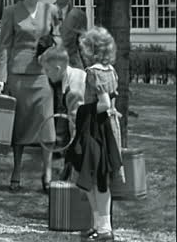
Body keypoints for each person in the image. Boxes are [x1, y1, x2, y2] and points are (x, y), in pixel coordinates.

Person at [0, 0, 58, 193]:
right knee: (19, 126)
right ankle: (17, 171)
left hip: (43, 74)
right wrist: (0, 78)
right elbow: (4, 46)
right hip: (18, 74)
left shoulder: (50, 10)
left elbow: (58, 41)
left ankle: (48, 173)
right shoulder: (11, 12)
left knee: (47, 124)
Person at [66, 26, 125, 242]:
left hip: (96, 130)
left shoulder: (93, 73)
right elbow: (113, 101)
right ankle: (99, 225)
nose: (82, 54)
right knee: (97, 178)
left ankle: (103, 228)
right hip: (109, 128)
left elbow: (104, 103)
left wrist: (82, 110)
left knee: (93, 177)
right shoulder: (111, 71)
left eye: (84, 50)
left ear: (91, 51)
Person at [38, 46, 86, 174]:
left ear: (57, 69)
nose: (45, 73)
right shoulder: (69, 75)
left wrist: (72, 149)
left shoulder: (74, 88)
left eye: (47, 70)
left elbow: (76, 122)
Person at [52, 0, 87, 69]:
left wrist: (87, 68)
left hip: (72, 65)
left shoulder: (79, 16)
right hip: (51, 66)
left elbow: (82, 45)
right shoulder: (46, 12)